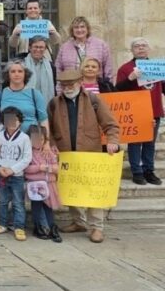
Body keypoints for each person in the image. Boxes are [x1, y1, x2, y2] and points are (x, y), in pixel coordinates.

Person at [47, 69, 120, 243]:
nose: (67, 88)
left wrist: (112, 141)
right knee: (71, 190)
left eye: (71, 84)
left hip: (90, 154)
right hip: (66, 155)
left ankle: (97, 227)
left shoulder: (94, 100)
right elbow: (48, 129)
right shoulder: (54, 103)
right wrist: (50, 145)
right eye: (63, 85)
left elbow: (111, 125)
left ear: (80, 82)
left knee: (93, 191)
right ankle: (78, 222)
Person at [116, 37, 163, 186]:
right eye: (137, 46)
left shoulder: (157, 67)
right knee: (135, 143)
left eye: (144, 46)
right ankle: (137, 172)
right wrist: (130, 78)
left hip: (153, 110)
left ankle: (149, 170)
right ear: (132, 50)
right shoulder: (125, 68)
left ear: (148, 49)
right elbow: (118, 90)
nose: (141, 48)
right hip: (135, 111)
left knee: (150, 142)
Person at [0, 106, 32, 242]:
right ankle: (2, 223)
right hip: (2, 174)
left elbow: (27, 158)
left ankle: (19, 226)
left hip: (17, 176)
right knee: (2, 201)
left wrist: (13, 170)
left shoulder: (25, 138)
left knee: (18, 202)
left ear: (20, 121)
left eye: (16, 120)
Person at [24, 125, 62, 242]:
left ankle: (52, 226)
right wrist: (39, 167)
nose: (38, 142)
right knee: (36, 206)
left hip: (49, 184)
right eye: (35, 139)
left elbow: (56, 167)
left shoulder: (48, 152)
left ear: (45, 140)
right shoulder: (28, 153)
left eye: (41, 139)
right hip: (35, 185)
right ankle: (38, 226)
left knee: (48, 207)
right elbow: (26, 169)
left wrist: (48, 168)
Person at [0, 60, 49, 135]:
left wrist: (46, 142)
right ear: (8, 75)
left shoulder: (35, 94)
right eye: (13, 71)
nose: (16, 74)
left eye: (20, 71)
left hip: (32, 139)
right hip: (7, 141)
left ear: (25, 74)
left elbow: (43, 120)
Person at [55, 16, 114, 82]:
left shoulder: (101, 45)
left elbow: (108, 69)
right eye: (76, 27)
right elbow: (58, 69)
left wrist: (108, 88)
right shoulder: (64, 47)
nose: (79, 30)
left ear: (87, 29)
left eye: (82, 27)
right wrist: (59, 89)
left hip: (96, 87)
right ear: (72, 30)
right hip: (71, 88)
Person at [24, 36, 56, 104]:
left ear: (45, 49)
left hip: (44, 103)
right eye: (36, 47)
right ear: (30, 48)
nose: (38, 49)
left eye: (41, 47)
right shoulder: (22, 64)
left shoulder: (51, 66)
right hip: (25, 102)